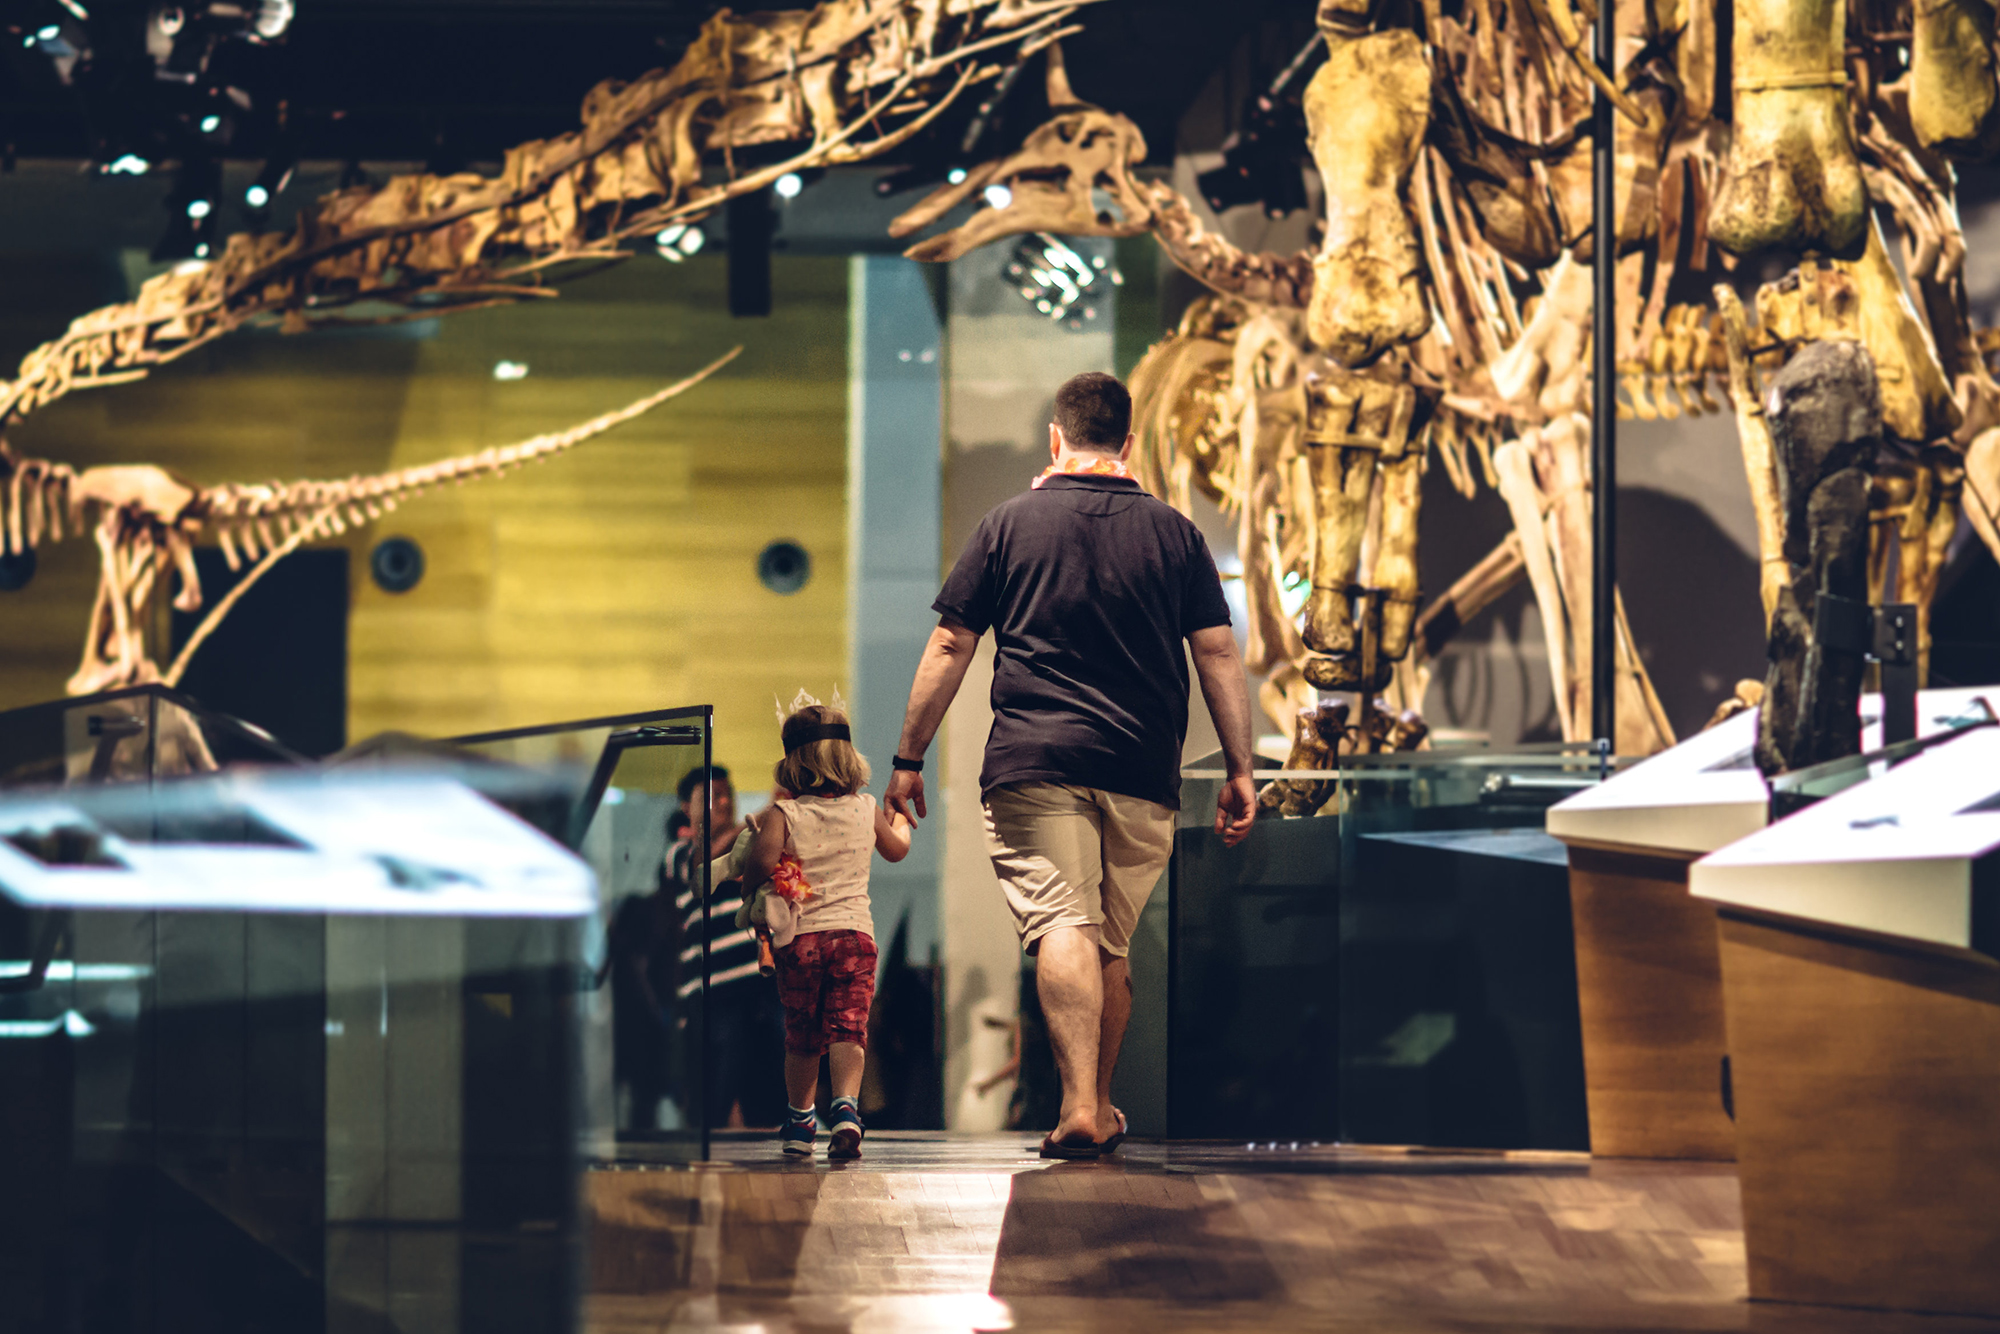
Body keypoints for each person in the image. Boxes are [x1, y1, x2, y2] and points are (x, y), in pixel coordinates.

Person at [885, 370, 1258, 1159]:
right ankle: (1096, 1103)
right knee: (1107, 944)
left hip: (1036, 760)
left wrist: (907, 757)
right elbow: (1219, 653)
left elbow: (952, 643)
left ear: (1055, 439)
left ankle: (1081, 1106)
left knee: (1064, 924)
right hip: (1142, 767)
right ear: (1128, 443)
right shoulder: (1177, 535)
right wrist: (1240, 767)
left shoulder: (1007, 524)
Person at [743, 700, 913, 1157]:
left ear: (792, 766)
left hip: (802, 940)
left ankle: (801, 1123)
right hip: (855, 937)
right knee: (848, 1029)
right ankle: (845, 1110)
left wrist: (759, 884)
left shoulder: (786, 815)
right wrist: (901, 820)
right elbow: (896, 849)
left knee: (802, 1033)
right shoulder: (865, 809)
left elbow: (759, 863)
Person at [667, 764, 788, 1130]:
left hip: (762, 986)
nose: (722, 803)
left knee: (771, 1092)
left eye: (727, 795)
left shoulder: (748, 848)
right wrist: (773, 809)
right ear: (687, 808)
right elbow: (711, 865)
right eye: (710, 797)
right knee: (713, 1100)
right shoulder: (678, 856)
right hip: (713, 995)